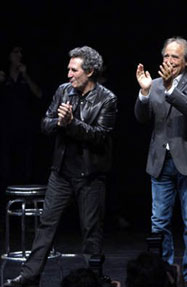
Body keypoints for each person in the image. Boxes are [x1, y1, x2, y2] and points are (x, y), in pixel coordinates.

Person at [5, 46, 118, 287]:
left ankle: (95, 279)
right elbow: (45, 124)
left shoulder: (107, 99)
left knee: (91, 231)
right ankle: (29, 276)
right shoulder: (63, 91)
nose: (68, 74)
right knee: (46, 226)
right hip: (62, 172)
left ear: (89, 71)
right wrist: (59, 121)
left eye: (73, 70)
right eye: (68, 69)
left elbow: (99, 136)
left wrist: (72, 123)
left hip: (90, 175)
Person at [134, 37, 187, 287]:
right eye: (166, 56)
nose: (168, 61)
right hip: (160, 161)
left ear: (186, 61)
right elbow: (142, 118)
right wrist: (145, 94)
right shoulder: (153, 84)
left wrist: (169, 89)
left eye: (174, 57)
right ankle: (164, 271)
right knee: (159, 221)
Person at [0, 45, 42, 192]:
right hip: (5, 128)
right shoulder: (3, 76)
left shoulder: (26, 75)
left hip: (24, 128)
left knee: (24, 167)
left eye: (21, 53)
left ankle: (24, 200)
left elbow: (39, 94)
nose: (19, 56)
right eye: (15, 52)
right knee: (5, 167)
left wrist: (26, 76)